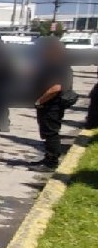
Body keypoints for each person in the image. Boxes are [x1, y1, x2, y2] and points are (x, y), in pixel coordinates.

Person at [32, 37, 73, 170]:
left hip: (52, 105)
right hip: (48, 104)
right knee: (47, 132)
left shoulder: (57, 65)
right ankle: (48, 158)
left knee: (51, 133)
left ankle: (51, 163)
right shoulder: (54, 63)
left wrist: (40, 101)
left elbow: (56, 87)